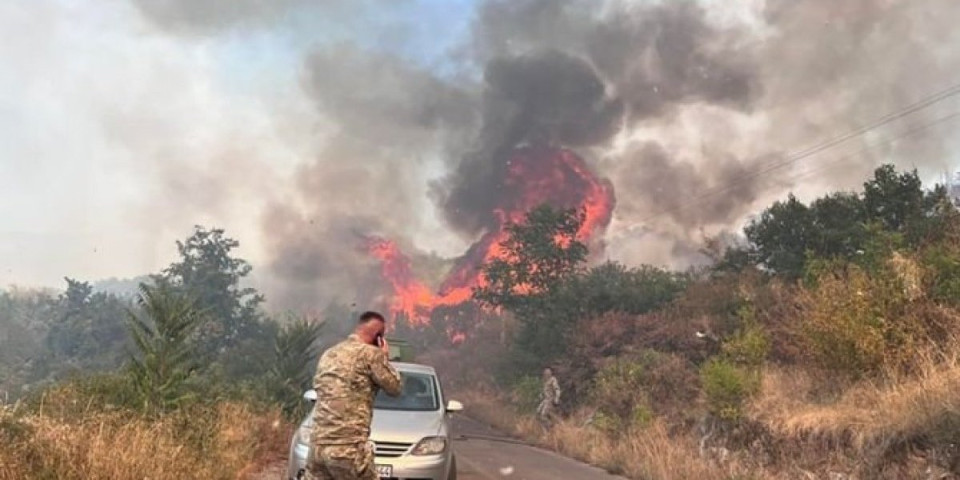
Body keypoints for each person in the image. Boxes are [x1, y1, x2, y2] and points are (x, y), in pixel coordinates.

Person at [307, 311, 403, 480]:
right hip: (347, 447)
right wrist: (384, 357)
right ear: (378, 336)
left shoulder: (329, 354)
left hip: (317, 448)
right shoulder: (371, 354)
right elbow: (395, 388)